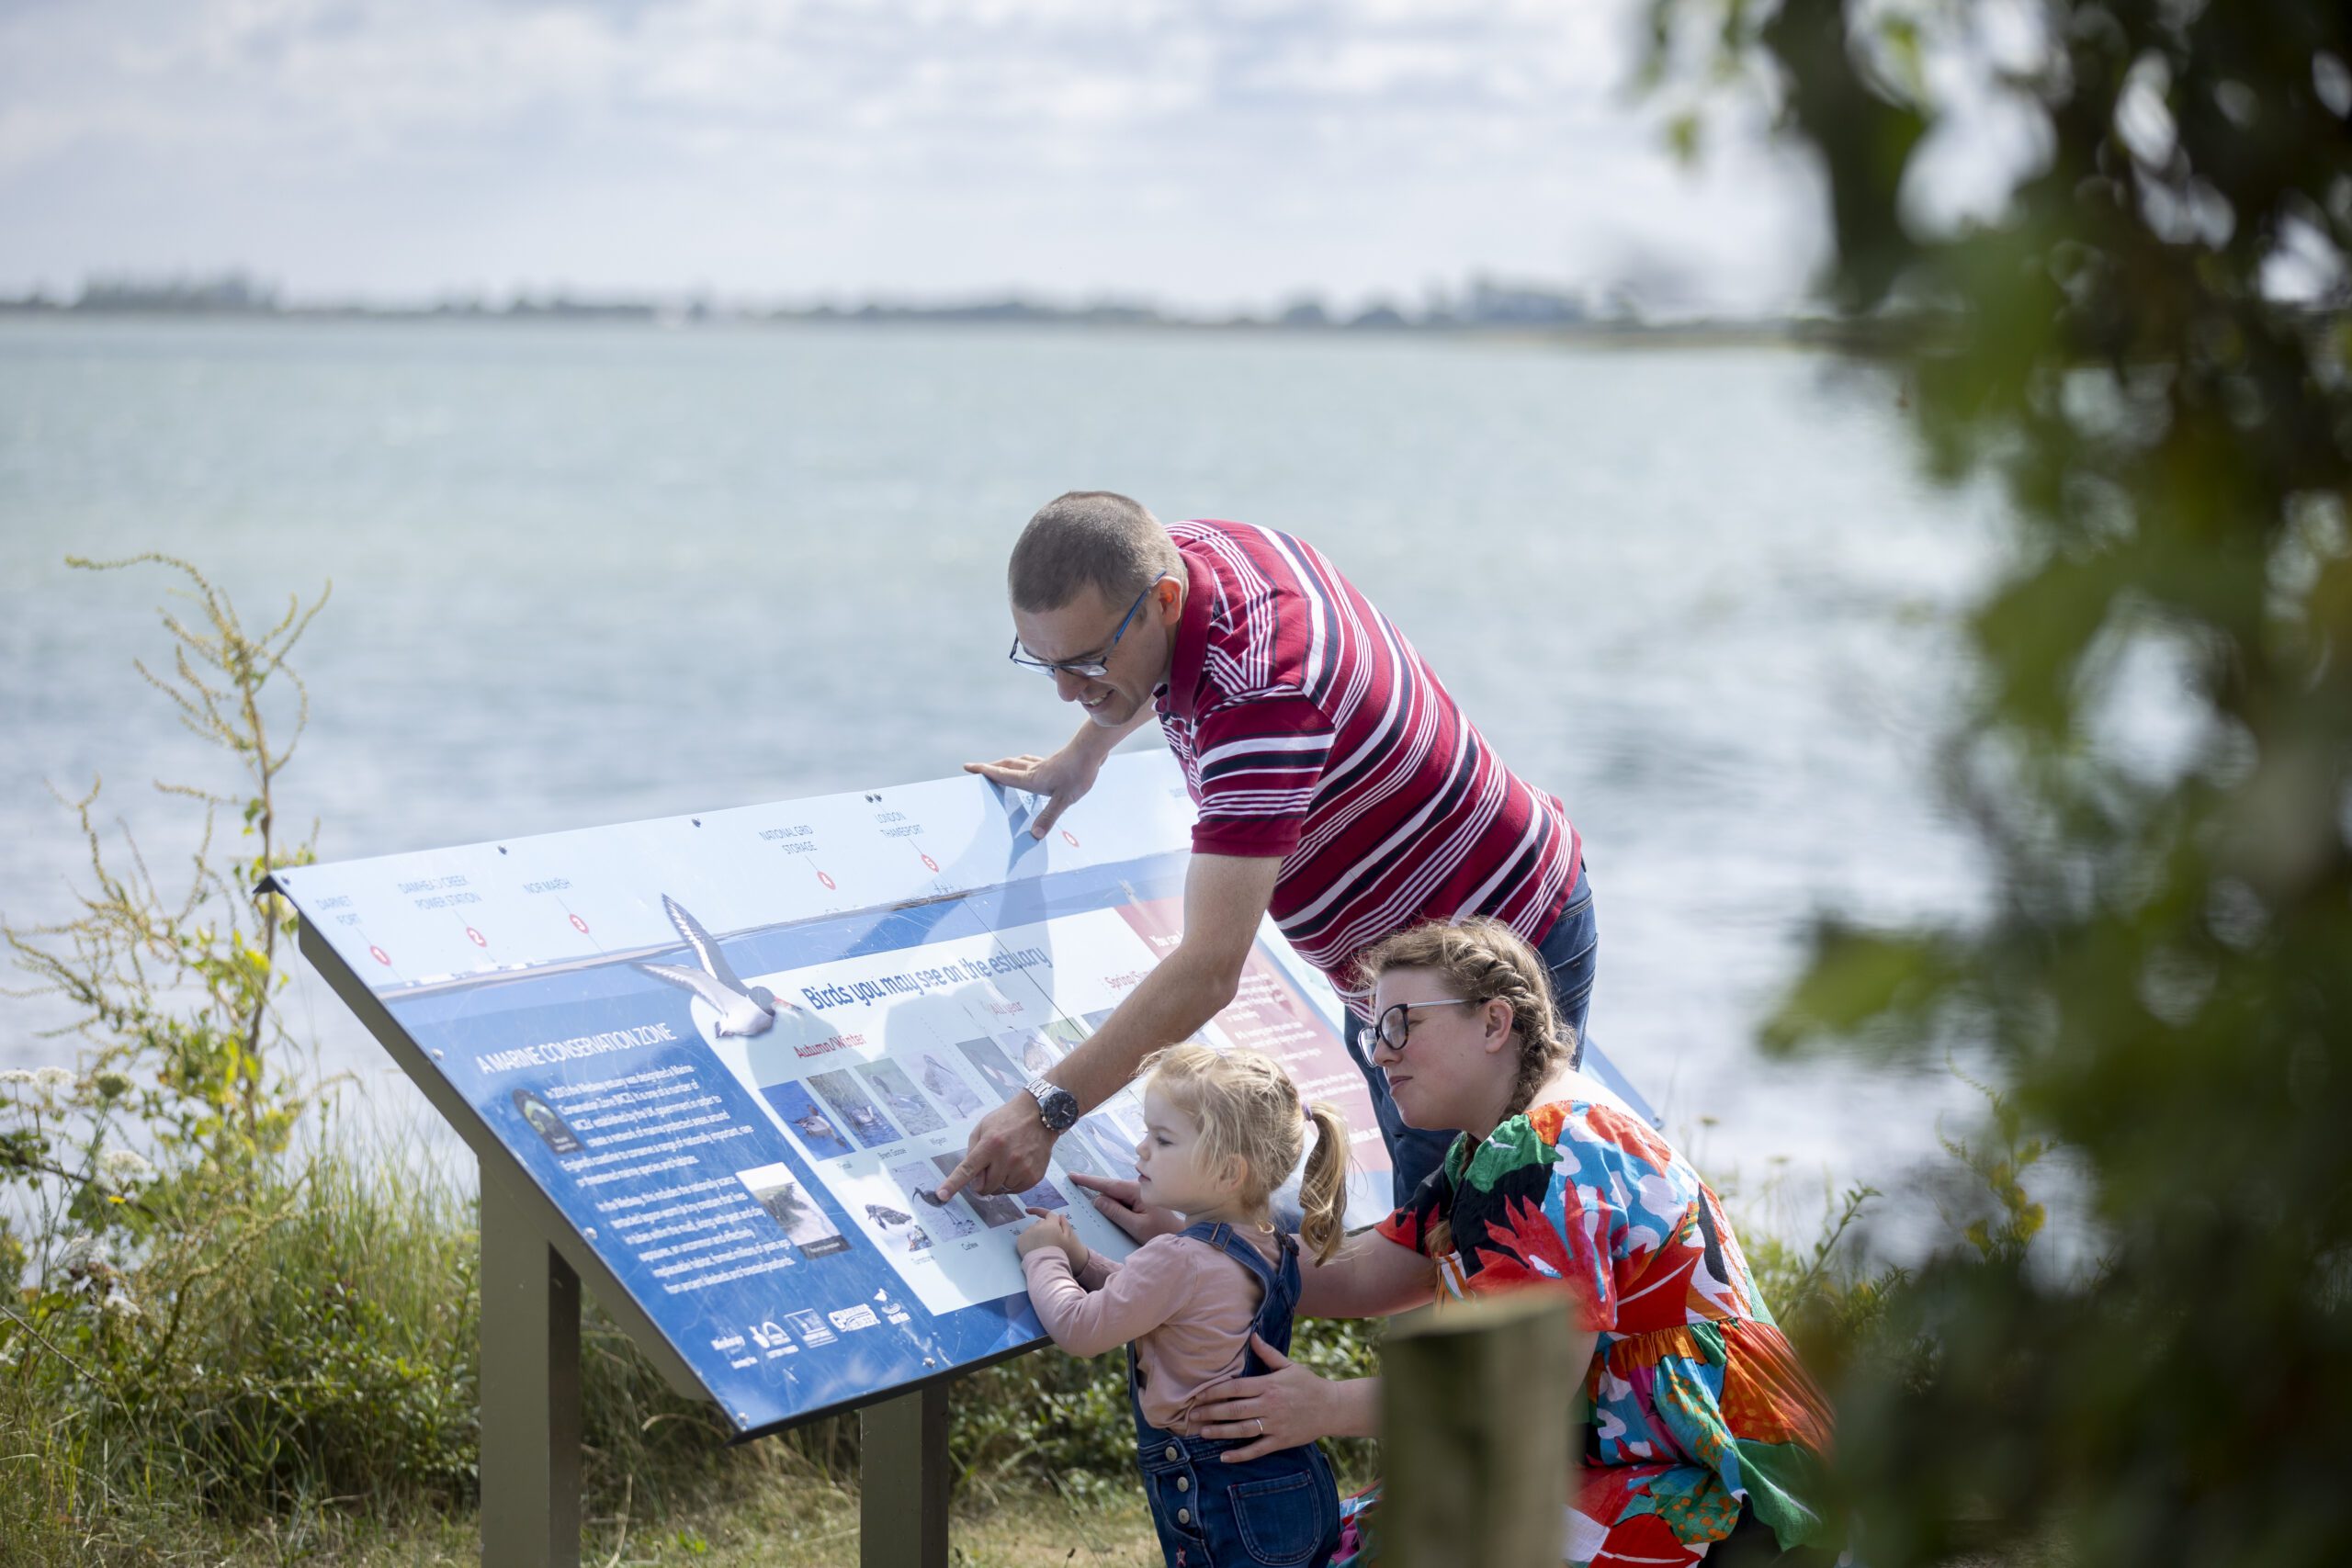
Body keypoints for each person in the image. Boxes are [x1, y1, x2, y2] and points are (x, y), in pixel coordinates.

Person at [1088, 919, 1841, 1568]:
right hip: (1675, 1463)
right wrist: (1209, 1238)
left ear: (1494, 1023)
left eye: (1400, 1024)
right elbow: (1366, 1274)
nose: (1379, 1054)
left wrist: (1323, 1405)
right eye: (1373, 1028)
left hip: (1726, 1490)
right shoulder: (1500, 1146)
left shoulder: (1551, 1147)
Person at [936, 490, 1601, 1210]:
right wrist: (1084, 752)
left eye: (1089, 661)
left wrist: (1044, 1111)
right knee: (1440, 1243)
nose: (1067, 691)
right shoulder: (1194, 552)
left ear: (1162, 600)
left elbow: (1208, 968)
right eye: (1045, 663)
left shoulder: (1261, 697)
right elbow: (1135, 667)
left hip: (1492, 951)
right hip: (1402, 962)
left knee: (1486, 1249)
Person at [1015, 1044, 1352, 1568]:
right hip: (1289, 1482)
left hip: (1223, 1497)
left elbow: (1081, 1329)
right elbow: (1165, 1304)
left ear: (1227, 1172)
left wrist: (1044, 1258)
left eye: (1162, 1138)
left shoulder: (1178, 1257)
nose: (1141, 1149)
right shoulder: (1271, 1242)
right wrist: (1083, 1261)